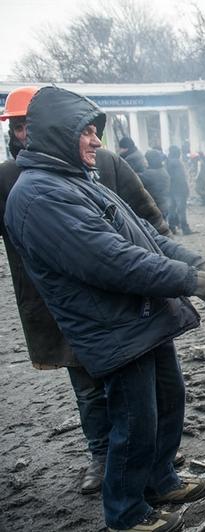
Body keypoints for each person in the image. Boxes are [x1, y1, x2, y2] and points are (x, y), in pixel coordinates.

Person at [4, 86, 205, 532]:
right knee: (132, 421)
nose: (96, 142)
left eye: (96, 132)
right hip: (110, 326)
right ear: (55, 135)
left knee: (168, 400)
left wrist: (193, 261)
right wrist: (189, 281)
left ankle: (160, 480)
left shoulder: (76, 179)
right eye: (86, 133)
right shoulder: (39, 195)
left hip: (140, 317)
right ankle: (127, 513)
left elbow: (143, 235)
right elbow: (113, 261)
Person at [0, 86, 175, 495]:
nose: (25, 134)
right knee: (88, 387)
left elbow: (150, 219)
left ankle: (154, 466)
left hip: (127, 300)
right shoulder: (9, 180)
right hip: (54, 305)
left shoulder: (106, 165)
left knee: (153, 386)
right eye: (19, 127)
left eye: (30, 124)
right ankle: (102, 456)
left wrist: (166, 273)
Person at [166, 145, 192, 235]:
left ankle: (172, 228)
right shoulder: (177, 163)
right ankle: (185, 228)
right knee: (181, 210)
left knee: (171, 209)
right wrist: (186, 188)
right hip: (179, 189)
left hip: (170, 189)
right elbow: (181, 178)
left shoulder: (167, 162)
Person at [141, 148, 172, 220]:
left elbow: (136, 178)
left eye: (146, 159)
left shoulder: (149, 174)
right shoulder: (162, 170)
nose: (144, 161)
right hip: (164, 205)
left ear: (150, 160)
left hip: (156, 207)